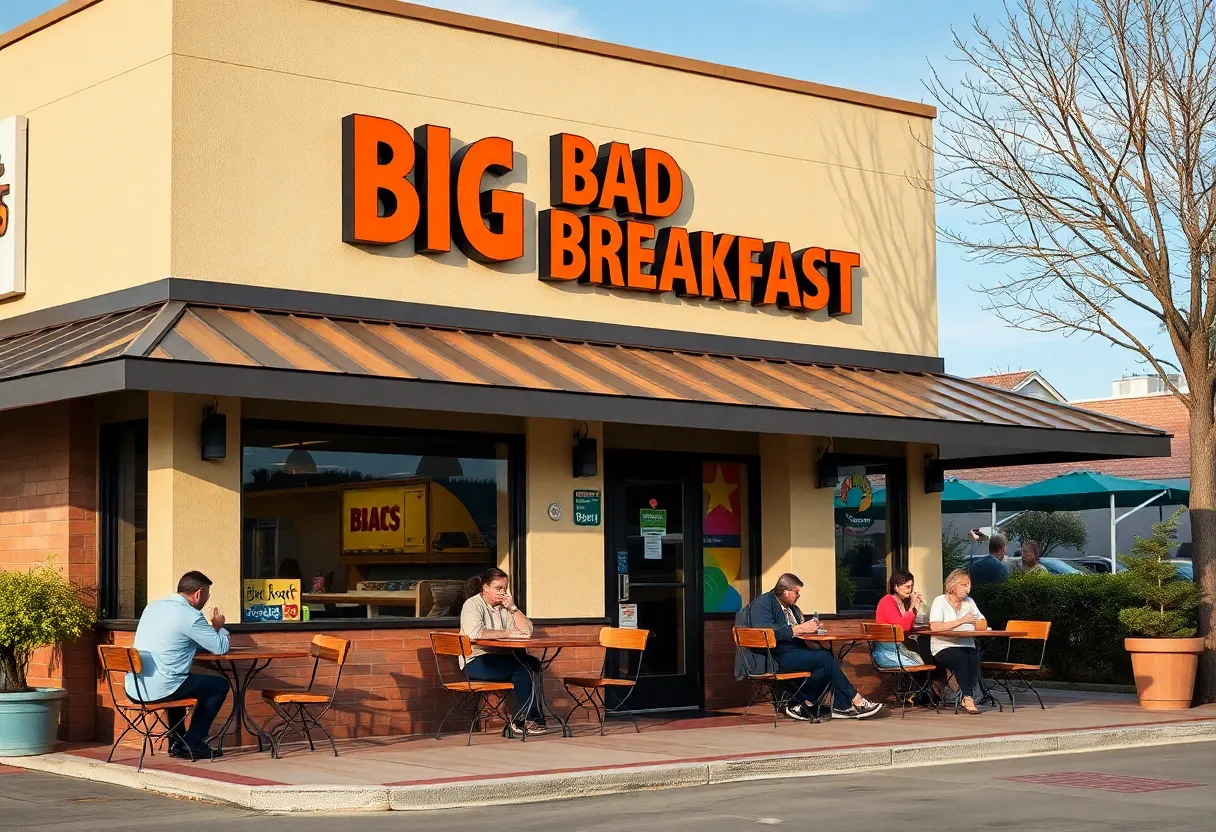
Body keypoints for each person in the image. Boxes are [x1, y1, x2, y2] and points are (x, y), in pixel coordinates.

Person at [738, 573, 882, 720]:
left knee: (828, 662)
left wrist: (811, 630)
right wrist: (799, 628)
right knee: (825, 658)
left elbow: (797, 629)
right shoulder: (763, 604)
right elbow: (766, 632)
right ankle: (856, 700)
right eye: (796, 592)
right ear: (785, 591)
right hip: (773, 658)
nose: (798, 596)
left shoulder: (791, 608)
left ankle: (811, 704)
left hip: (793, 652)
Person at [125, 571, 230, 759]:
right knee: (219, 686)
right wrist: (219, 627)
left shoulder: (152, 607)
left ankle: (177, 742)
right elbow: (220, 647)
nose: (207, 600)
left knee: (179, 682)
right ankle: (192, 743)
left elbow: (177, 641)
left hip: (135, 686)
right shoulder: (190, 616)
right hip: (161, 687)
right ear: (198, 593)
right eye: (207, 595)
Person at [458, 567, 545, 736]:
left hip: (502, 656)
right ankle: (526, 720)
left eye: (505, 588)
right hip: (476, 660)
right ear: (485, 588)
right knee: (522, 668)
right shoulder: (472, 605)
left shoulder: (505, 607)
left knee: (533, 664)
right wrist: (507, 633)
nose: (503, 592)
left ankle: (530, 718)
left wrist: (513, 608)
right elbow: (475, 633)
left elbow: (527, 631)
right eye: (498, 588)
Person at [928, 568, 988, 715]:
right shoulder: (940, 601)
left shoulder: (969, 602)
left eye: (969, 586)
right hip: (943, 645)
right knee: (962, 659)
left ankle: (966, 696)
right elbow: (935, 627)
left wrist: (974, 624)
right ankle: (968, 697)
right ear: (953, 585)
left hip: (966, 643)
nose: (968, 589)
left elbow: (983, 623)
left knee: (974, 657)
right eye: (964, 585)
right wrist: (962, 621)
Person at [873, 571, 929, 669]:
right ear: (896, 587)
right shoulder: (887, 601)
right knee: (925, 657)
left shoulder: (901, 603)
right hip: (888, 652)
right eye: (907, 587)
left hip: (898, 648)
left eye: (912, 586)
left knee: (928, 649)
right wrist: (912, 606)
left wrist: (915, 608)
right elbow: (903, 627)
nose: (910, 590)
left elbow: (908, 626)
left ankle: (934, 678)